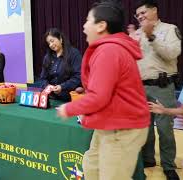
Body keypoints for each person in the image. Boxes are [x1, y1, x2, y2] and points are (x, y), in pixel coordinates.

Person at [57, 1, 150, 179]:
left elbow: (99, 96)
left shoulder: (109, 51)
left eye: (87, 21)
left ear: (101, 26)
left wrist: (69, 109)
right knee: (92, 166)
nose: (84, 26)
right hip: (110, 122)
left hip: (123, 127)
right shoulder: (109, 49)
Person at [135, 0, 181, 179]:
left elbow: (172, 53)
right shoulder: (137, 33)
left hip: (162, 87)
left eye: (143, 13)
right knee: (144, 126)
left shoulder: (169, 29)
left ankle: (169, 165)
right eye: (138, 15)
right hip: (140, 87)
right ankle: (148, 159)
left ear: (154, 11)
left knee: (164, 128)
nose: (140, 17)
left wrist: (152, 36)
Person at [39, 28, 82, 102]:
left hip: (69, 98)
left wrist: (62, 87)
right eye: (49, 43)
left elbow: (78, 77)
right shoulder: (47, 57)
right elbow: (43, 78)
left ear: (61, 39)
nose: (51, 45)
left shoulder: (74, 54)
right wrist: (48, 87)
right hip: (51, 98)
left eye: (52, 41)